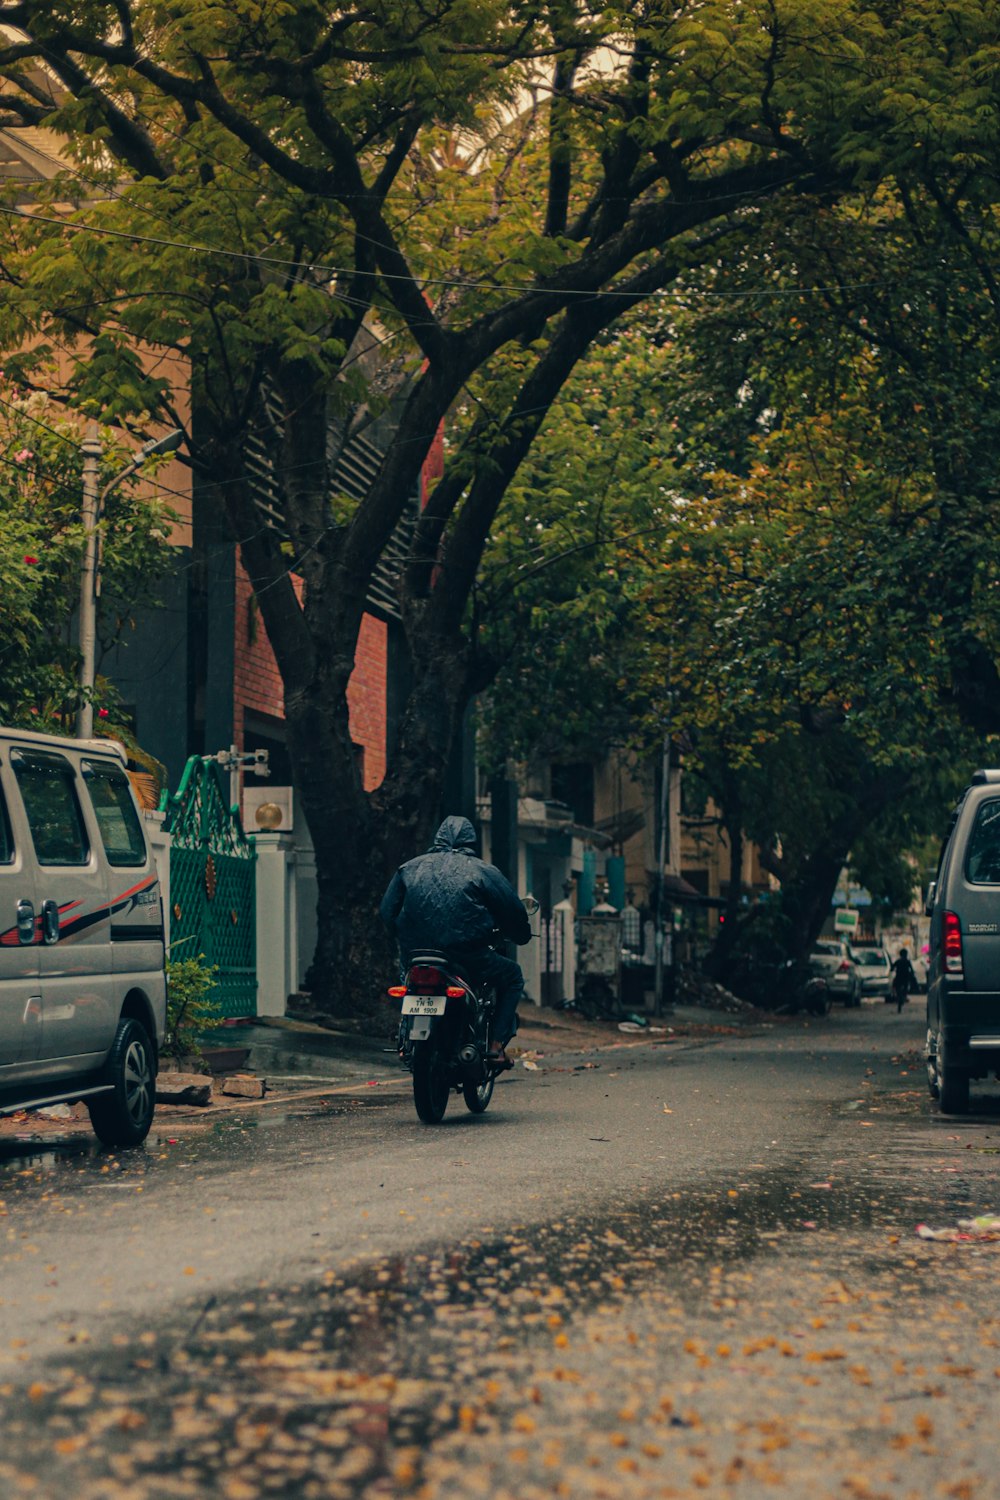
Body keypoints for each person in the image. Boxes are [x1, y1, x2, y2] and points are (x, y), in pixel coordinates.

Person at [380, 815, 531, 1064]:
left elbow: (387, 913)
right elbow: (512, 911)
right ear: (471, 841)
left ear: (438, 838)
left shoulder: (409, 868)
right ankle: (494, 1045)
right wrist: (520, 935)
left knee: (407, 982)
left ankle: (406, 1036)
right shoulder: (483, 871)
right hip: (468, 957)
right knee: (513, 977)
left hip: (416, 955)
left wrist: (404, 935)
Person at [891, 947, 917, 1012]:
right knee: (905, 989)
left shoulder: (898, 961)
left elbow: (892, 968)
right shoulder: (907, 961)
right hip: (905, 978)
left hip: (899, 977)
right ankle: (902, 997)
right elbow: (912, 970)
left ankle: (900, 997)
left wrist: (893, 969)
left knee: (897, 988)